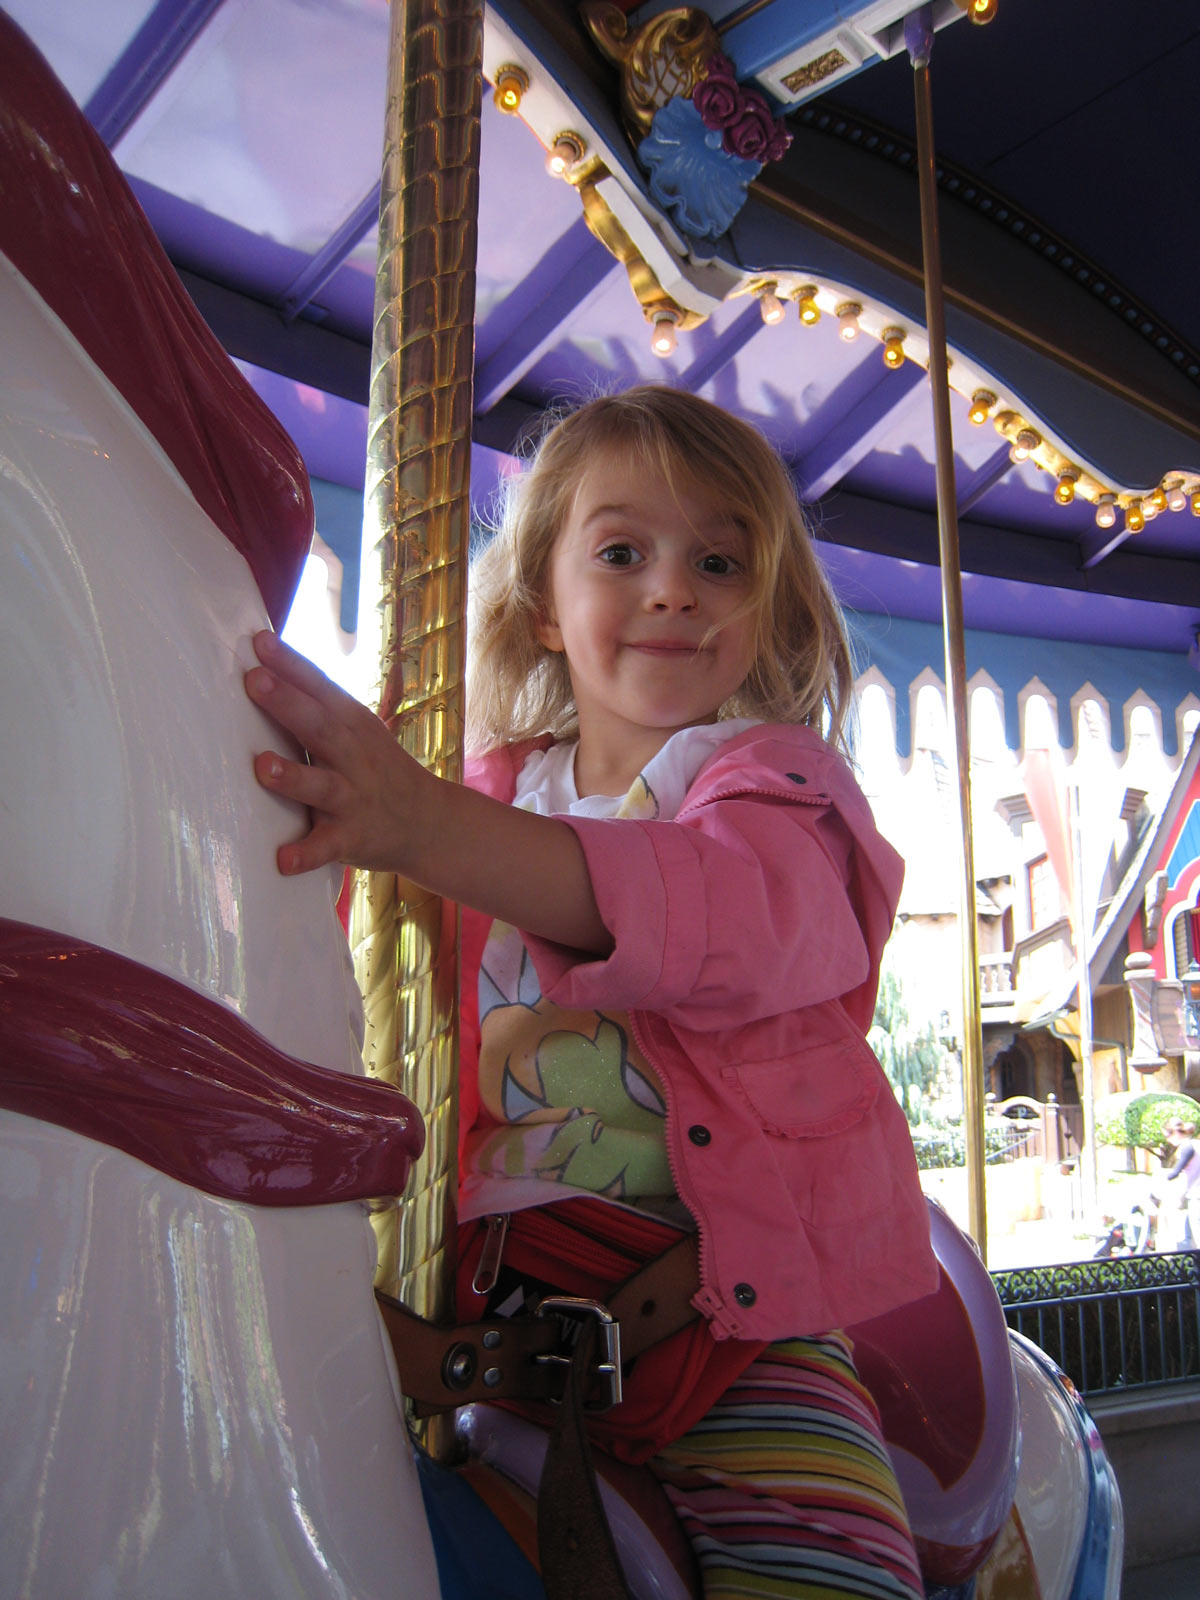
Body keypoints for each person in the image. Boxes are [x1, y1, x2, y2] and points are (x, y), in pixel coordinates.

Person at [245, 386, 939, 1599]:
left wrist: (423, 825)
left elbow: (727, 910)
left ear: (767, 609)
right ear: (543, 608)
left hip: (725, 1322)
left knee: (832, 1570)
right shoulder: (479, 798)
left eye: (720, 561)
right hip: (472, 1312)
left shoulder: (776, 790)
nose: (675, 587)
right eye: (623, 552)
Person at [1154, 1116, 1200, 1251]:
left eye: (1167, 1136)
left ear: (1174, 1133)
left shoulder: (1187, 1147)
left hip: (1195, 1194)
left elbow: (1176, 1172)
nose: (1168, 1141)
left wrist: (1161, 1178)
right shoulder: (1197, 1144)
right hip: (1195, 1192)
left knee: (1197, 1235)